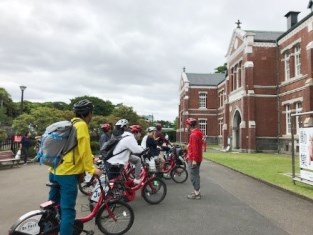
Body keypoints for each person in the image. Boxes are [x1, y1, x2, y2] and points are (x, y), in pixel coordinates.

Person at [48, 99, 102, 235]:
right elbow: (84, 149)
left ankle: (49, 228)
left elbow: (74, 150)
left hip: (54, 171)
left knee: (53, 205)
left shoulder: (70, 124)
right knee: (68, 211)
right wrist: (92, 169)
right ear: (88, 113)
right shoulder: (82, 125)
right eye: (92, 113)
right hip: (67, 174)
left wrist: (90, 159)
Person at [185, 118, 203, 200]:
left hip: (193, 158)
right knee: (196, 175)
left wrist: (194, 160)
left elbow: (195, 148)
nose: (186, 126)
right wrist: (189, 145)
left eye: (187, 124)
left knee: (193, 176)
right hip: (197, 157)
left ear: (189, 125)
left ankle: (197, 193)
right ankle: (197, 191)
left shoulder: (193, 135)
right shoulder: (197, 133)